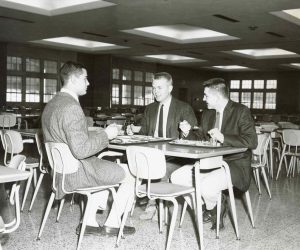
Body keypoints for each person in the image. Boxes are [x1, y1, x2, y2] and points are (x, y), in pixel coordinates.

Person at [42, 61, 135, 236]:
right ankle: (113, 224)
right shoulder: (71, 107)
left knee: (102, 166)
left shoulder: (52, 104)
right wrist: (107, 135)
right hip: (75, 174)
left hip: (60, 173)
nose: (88, 83)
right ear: (75, 79)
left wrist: (97, 134)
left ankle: (89, 222)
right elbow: (81, 150)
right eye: (85, 78)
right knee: (132, 173)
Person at [171, 78, 257, 230]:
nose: (203, 99)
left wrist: (223, 137)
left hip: (235, 165)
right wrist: (186, 133)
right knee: (177, 177)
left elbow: (251, 141)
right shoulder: (207, 114)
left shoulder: (240, 111)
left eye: (206, 95)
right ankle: (209, 208)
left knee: (207, 186)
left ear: (217, 96)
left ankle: (214, 206)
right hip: (209, 163)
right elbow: (201, 139)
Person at [127, 72, 197, 219]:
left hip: (176, 158)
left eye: (159, 88)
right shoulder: (150, 109)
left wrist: (186, 132)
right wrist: (134, 133)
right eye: (153, 88)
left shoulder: (184, 108)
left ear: (170, 88)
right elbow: (145, 135)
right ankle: (147, 202)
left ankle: (153, 205)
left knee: (159, 170)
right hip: (154, 155)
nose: (155, 91)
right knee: (132, 167)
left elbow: (196, 139)